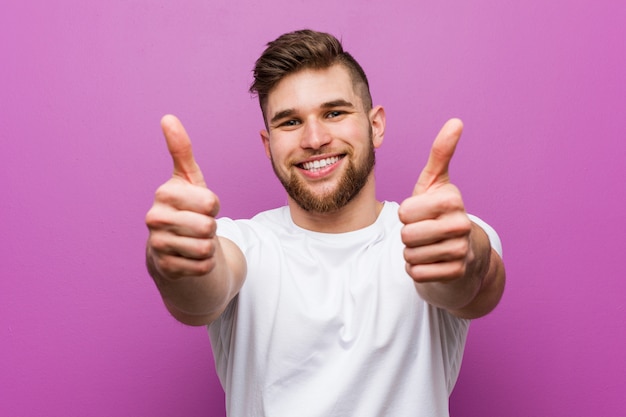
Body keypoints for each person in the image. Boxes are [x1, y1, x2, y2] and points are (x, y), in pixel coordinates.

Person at [145, 29, 505, 417]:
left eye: (334, 112)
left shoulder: (441, 234)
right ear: (269, 146)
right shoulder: (240, 243)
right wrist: (177, 262)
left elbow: (471, 286)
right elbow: (198, 294)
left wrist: (465, 257)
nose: (314, 139)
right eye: (289, 122)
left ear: (376, 125)